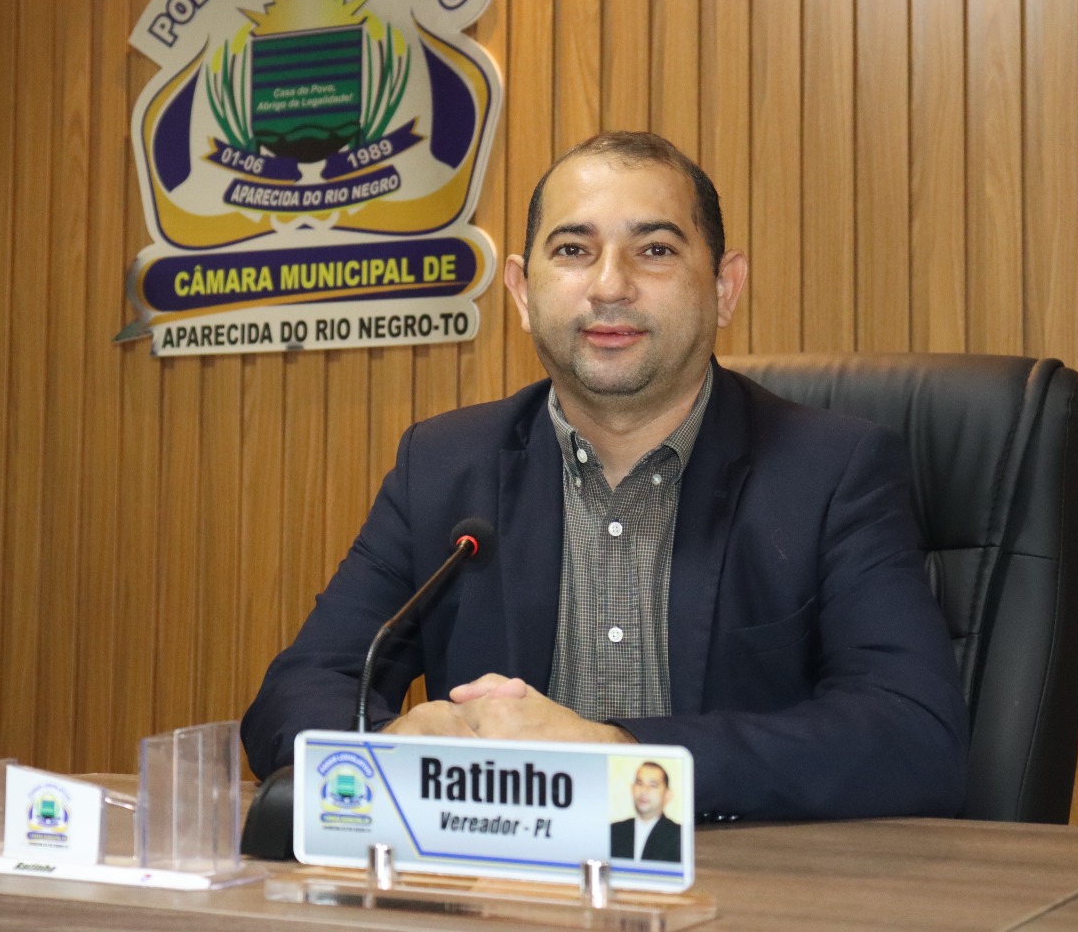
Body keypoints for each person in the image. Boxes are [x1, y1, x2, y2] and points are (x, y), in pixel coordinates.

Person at [241, 132, 969, 820]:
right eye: (573, 250)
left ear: (724, 288)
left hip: (740, 884)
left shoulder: (832, 471)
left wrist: (619, 756)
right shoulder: (443, 467)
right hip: (501, 885)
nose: (610, 285)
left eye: (654, 250)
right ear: (523, 293)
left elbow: (913, 736)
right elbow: (298, 692)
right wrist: (394, 746)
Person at [611, 761, 681, 862]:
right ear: (632, 789)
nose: (644, 790)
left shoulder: (679, 836)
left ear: (667, 795)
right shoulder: (613, 832)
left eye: (653, 785)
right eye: (639, 783)